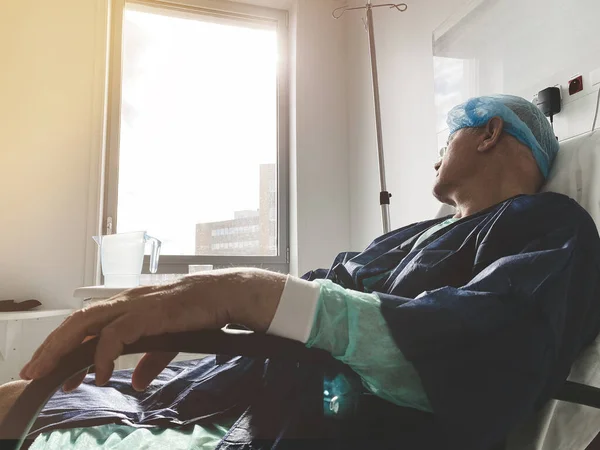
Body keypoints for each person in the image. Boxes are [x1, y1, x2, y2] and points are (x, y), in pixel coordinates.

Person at [2, 95, 600, 450]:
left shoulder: (550, 226)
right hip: (237, 381)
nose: (436, 154)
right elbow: (324, 286)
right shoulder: (417, 233)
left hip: (299, 421)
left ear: (490, 132)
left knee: (19, 407)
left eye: (449, 136)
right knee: (18, 394)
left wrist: (247, 291)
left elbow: (485, 345)